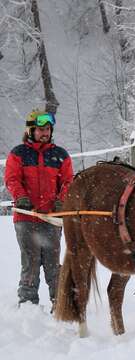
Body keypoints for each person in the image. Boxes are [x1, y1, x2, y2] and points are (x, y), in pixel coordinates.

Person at [4, 110, 73, 307]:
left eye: (48, 129)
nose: (45, 133)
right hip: (26, 218)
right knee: (30, 263)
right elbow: (12, 179)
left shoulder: (60, 155)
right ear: (31, 130)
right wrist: (21, 197)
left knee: (53, 264)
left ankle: (60, 304)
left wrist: (62, 200)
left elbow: (68, 182)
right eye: (41, 129)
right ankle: (27, 304)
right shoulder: (19, 153)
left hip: (51, 219)